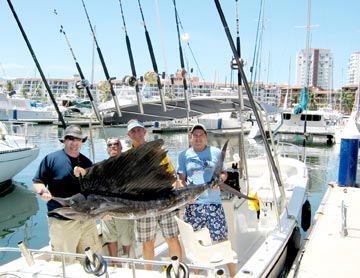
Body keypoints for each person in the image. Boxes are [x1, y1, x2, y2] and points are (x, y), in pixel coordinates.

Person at [32, 125, 102, 263]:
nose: (74, 142)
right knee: (65, 264)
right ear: (64, 140)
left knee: (92, 261)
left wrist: (85, 174)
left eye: (77, 139)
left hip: (86, 220)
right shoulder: (51, 159)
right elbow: (37, 182)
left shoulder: (87, 163)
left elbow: (95, 192)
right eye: (70, 138)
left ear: (82, 141)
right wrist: (42, 191)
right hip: (62, 222)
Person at [176, 123, 236, 277]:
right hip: (194, 205)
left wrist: (220, 181)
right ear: (190, 138)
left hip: (213, 204)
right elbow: (182, 180)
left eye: (200, 134)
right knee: (196, 241)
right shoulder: (183, 155)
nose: (197, 138)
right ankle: (196, 274)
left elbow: (224, 173)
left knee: (222, 239)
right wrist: (187, 196)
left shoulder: (216, 152)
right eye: (194, 135)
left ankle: (233, 274)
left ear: (206, 137)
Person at [126, 119, 182, 270]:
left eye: (139, 130)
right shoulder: (127, 157)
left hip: (164, 200)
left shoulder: (157, 151)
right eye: (133, 131)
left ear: (144, 132)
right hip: (143, 204)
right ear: (129, 134)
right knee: (148, 242)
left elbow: (172, 173)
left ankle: (177, 271)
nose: (137, 134)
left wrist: (173, 184)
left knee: (172, 238)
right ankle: (148, 274)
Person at [99, 137, 134, 260]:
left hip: (123, 208)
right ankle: (115, 263)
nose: (113, 146)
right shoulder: (102, 167)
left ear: (121, 147)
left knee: (126, 237)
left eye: (116, 144)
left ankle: (127, 261)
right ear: (107, 149)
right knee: (110, 237)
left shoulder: (128, 166)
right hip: (106, 208)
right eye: (110, 145)